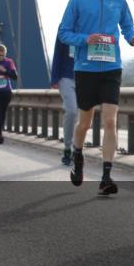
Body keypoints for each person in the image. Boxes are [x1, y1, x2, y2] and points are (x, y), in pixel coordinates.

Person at [59, 0, 134, 196]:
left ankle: (106, 175)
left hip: (111, 68)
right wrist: (85, 39)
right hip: (85, 68)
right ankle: (77, 154)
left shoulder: (118, 0)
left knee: (109, 121)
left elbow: (127, 26)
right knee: (84, 122)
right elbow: (64, 32)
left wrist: (132, 39)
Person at [49, 31, 78, 166]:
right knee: (72, 111)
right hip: (66, 76)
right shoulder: (65, 26)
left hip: (87, 76)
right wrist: (55, 77)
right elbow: (58, 51)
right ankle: (68, 148)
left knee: (84, 117)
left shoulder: (91, 22)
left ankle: (77, 149)